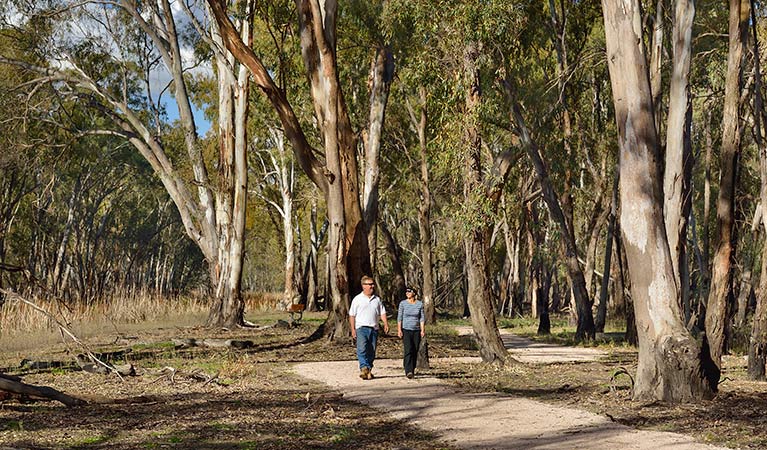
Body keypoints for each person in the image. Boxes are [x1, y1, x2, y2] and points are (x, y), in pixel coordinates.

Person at [349, 275, 389, 380]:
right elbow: (352, 315)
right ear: (363, 286)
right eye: (369, 284)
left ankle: (368, 369)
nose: (372, 286)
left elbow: (382, 312)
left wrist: (385, 323)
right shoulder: (357, 299)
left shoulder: (377, 299)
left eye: (372, 284)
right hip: (361, 328)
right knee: (362, 349)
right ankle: (363, 368)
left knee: (371, 350)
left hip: (374, 328)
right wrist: (353, 329)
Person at [397, 286, 425, 379]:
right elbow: (399, 317)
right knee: (408, 349)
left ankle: (412, 368)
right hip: (406, 329)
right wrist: (399, 330)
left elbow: (421, 318)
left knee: (415, 349)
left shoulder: (419, 304)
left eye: (410, 291)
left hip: (416, 330)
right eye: (406, 291)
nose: (408, 293)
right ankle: (408, 370)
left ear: (414, 293)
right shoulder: (403, 304)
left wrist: (422, 330)